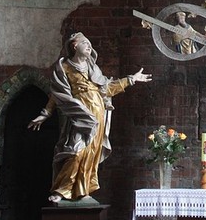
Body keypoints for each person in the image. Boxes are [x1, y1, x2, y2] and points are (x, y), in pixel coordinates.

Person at [28, 32, 151, 203]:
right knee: (76, 151)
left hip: (98, 114)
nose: (89, 46)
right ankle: (61, 189)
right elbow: (58, 93)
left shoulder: (93, 68)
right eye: (84, 42)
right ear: (74, 46)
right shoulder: (64, 67)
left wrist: (131, 79)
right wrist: (45, 114)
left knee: (91, 154)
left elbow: (106, 89)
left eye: (89, 43)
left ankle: (82, 189)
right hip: (81, 115)